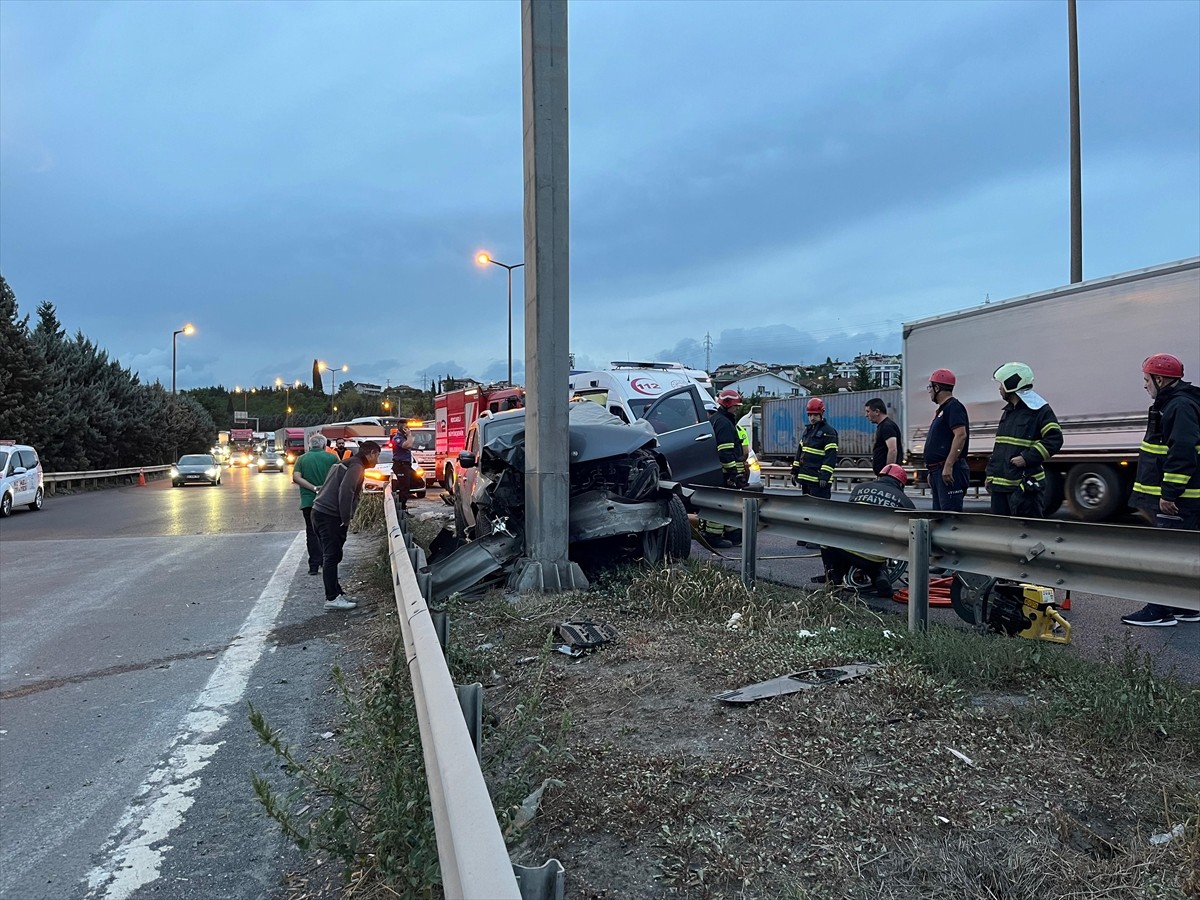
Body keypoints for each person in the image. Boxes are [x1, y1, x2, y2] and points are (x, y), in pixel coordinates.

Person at [1120, 353, 1200, 627]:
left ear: (1161, 379)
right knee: (1180, 553)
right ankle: (1185, 606)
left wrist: (1169, 493)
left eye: (1147, 379)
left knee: (1164, 554)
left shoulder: (1178, 406)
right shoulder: (1174, 403)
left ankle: (1159, 609)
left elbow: (1182, 452)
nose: (1145, 385)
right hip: (1185, 499)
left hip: (1179, 500)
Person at [819, 464, 915, 598]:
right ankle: (879, 575)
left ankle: (835, 578)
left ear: (879, 477)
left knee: (827, 541)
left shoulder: (859, 488)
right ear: (900, 484)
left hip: (841, 548)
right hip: (873, 556)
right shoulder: (906, 502)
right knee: (875, 558)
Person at [985, 362, 1063, 517]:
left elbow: (1054, 439)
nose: (999, 388)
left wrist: (1026, 458)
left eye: (1001, 384)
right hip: (1000, 487)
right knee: (1000, 535)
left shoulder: (1039, 410)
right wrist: (990, 477)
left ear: (1011, 384)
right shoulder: (1009, 411)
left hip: (1024, 489)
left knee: (1026, 535)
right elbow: (1000, 448)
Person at [311, 441, 381, 611]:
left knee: (333, 555)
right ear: (371, 453)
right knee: (331, 556)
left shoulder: (346, 463)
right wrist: (346, 518)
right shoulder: (356, 466)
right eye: (377, 456)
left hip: (319, 511)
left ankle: (337, 592)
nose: (377, 461)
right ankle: (332, 598)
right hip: (329, 515)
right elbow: (346, 491)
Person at [791, 397, 839, 548]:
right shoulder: (807, 431)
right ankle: (807, 535)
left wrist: (825, 476)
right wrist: (794, 471)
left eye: (815, 415)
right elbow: (800, 453)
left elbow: (831, 457)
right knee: (807, 510)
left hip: (819, 480)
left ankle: (820, 539)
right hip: (806, 478)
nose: (812, 418)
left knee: (820, 511)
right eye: (810, 415)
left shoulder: (829, 432)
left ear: (821, 414)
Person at [702, 390, 747, 549]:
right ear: (728, 405)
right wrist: (733, 473)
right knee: (721, 503)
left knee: (729, 503)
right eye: (736, 406)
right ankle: (713, 536)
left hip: (720, 471)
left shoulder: (717, 419)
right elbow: (725, 451)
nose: (737, 409)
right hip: (726, 472)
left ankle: (733, 534)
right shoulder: (724, 423)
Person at [924, 369, 970, 512]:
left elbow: (961, 435)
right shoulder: (943, 409)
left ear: (937, 388)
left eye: (930, 387)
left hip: (950, 470)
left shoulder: (954, 407)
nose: (929, 391)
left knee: (950, 517)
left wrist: (948, 465)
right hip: (938, 470)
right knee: (940, 516)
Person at [292, 433, 339, 576]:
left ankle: (313, 565)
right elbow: (338, 476)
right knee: (328, 533)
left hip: (308, 502)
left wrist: (313, 488)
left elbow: (296, 477)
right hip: (328, 502)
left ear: (310, 446)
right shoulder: (332, 458)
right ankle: (326, 562)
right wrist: (325, 488)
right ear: (325, 446)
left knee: (311, 532)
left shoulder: (301, 459)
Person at [864, 397, 903, 475]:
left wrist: (887, 473)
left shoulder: (887, 426)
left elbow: (893, 450)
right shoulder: (883, 426)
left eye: (868, 411)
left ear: (877, 412)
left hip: (887, 475)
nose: (866, 415)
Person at [389, 425, 416, 508]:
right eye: (406, 428)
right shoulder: (398, 438)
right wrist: (409, 435)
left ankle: (399, 499)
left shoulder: (404, 438)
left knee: (416, 481)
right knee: (404, 487)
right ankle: (401, 507)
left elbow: (410, 444)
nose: (408, 429)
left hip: (406, 465)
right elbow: (407, 445)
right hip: (401, 465)